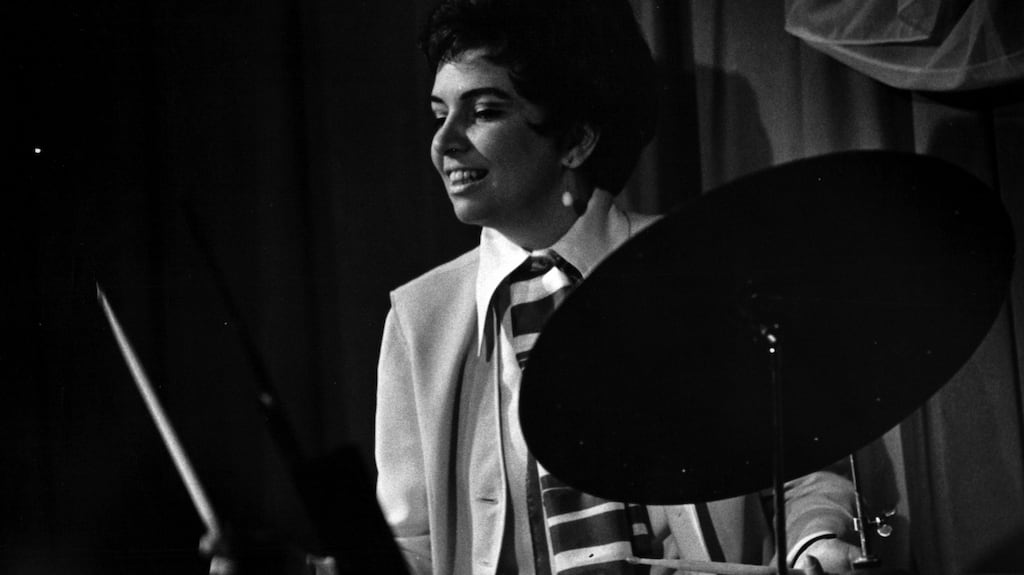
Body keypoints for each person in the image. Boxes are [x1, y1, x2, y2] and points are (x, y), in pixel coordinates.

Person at [375, 0, 864, 574]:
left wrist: (816, 547)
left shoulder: (704, 271)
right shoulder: (419, 318)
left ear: (576, 139)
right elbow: (411, 542)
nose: (446, 142)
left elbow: (807, 482)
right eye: (440, 114)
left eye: (482, 111)